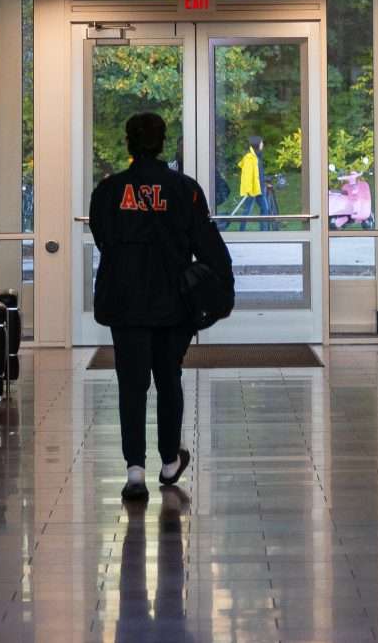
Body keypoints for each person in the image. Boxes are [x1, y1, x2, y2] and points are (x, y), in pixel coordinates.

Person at [90, 110, 231, 502]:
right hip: (173, 304)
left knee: (131, 384)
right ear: (163, 142)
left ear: (129, 143)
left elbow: (103, 238)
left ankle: (135, 471)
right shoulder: (184, 189)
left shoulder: (108, 191)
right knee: (169, 379)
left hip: (125, 302)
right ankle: (169, 461)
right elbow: (206, 245)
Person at [236, 135, 271, 223]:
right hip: (252, 191)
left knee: (265, 210)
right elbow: (247, 175)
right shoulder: (249, 158)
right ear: (257, 144)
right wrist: (248, 191)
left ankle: (264, 232)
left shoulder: (258, 157)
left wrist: (265, 180)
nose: (262, 144)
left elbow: (258, 173)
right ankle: (241, 232)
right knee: (246, 212)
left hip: (259, 189)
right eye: (261, 142)